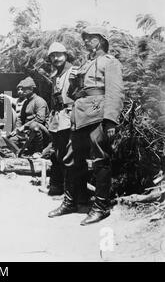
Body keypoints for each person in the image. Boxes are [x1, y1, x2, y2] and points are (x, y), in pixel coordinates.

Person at [48, 26, 124, 225]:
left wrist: (110, 120)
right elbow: (75, 95)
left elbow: (115, 92)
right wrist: (73, 84)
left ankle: (100, 207)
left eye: (90, 38)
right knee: (71, 158)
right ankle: (71, 202)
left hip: (99, 115)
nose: (86, 41)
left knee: (100, 160)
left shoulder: (110, 62)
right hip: (80, 115)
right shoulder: (85, 65)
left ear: (100, 40)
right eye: (86, 38)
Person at [46, 42, 75, 196]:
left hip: (70, 117)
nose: (56, 58)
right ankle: (58, 187)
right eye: (52, 56)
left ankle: (72, 193)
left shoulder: (74, 72)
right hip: (57, 119)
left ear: (66, 55)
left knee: (70, 156)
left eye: (59, 54)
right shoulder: (55, 75)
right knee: (57, 154)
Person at [8, 77, 49, 155]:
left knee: (34, 126)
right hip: (28, 132)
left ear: (31, 89)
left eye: (23, 89)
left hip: (40, 132)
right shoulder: (26, 102)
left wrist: (24, 127)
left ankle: (38, 151)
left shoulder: (39, 101)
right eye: (19, 89)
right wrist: (16, 130)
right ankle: (21, 151)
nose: (21, 91)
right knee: (11, 140)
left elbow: (40, 119)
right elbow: (20, 118)